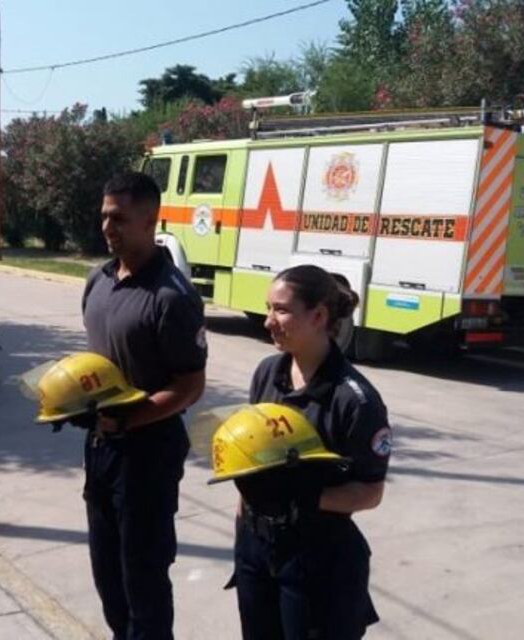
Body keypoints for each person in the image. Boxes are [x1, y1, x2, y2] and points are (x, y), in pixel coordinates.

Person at [232, 264, 392, 639]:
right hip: (257, 549)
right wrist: (244, 529)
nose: (269, 321)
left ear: (319, 316)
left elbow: (370, 492)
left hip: (318, 558)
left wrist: (303, 498)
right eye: (268, 308)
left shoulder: (355, 400)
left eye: (281, 310)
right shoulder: (267, 373)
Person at [80, 172, 207, 639]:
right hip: (101, 446)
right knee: (107, 574)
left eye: (119, 218)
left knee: (143, 579)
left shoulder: (171, 297)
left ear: (151, 219)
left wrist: (130, 417)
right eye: (104, 217)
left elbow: (190, 385)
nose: (108, 228)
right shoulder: (99, 279)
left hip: (149, 452)